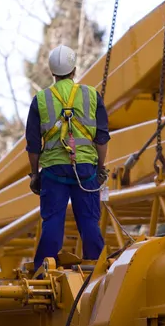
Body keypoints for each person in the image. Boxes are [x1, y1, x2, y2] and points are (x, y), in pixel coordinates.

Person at [25, 44, 110, 273]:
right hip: (85, 169)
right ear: (74, 69)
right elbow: (102, 138)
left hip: (54, 171)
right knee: (89, 221)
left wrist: (35, 175)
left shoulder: (40, 100)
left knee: (52, 221)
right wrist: (100, 168)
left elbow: (33, 145)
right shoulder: (91, 95)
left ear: (52, 72)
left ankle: (44, 270)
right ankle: (97, 270)